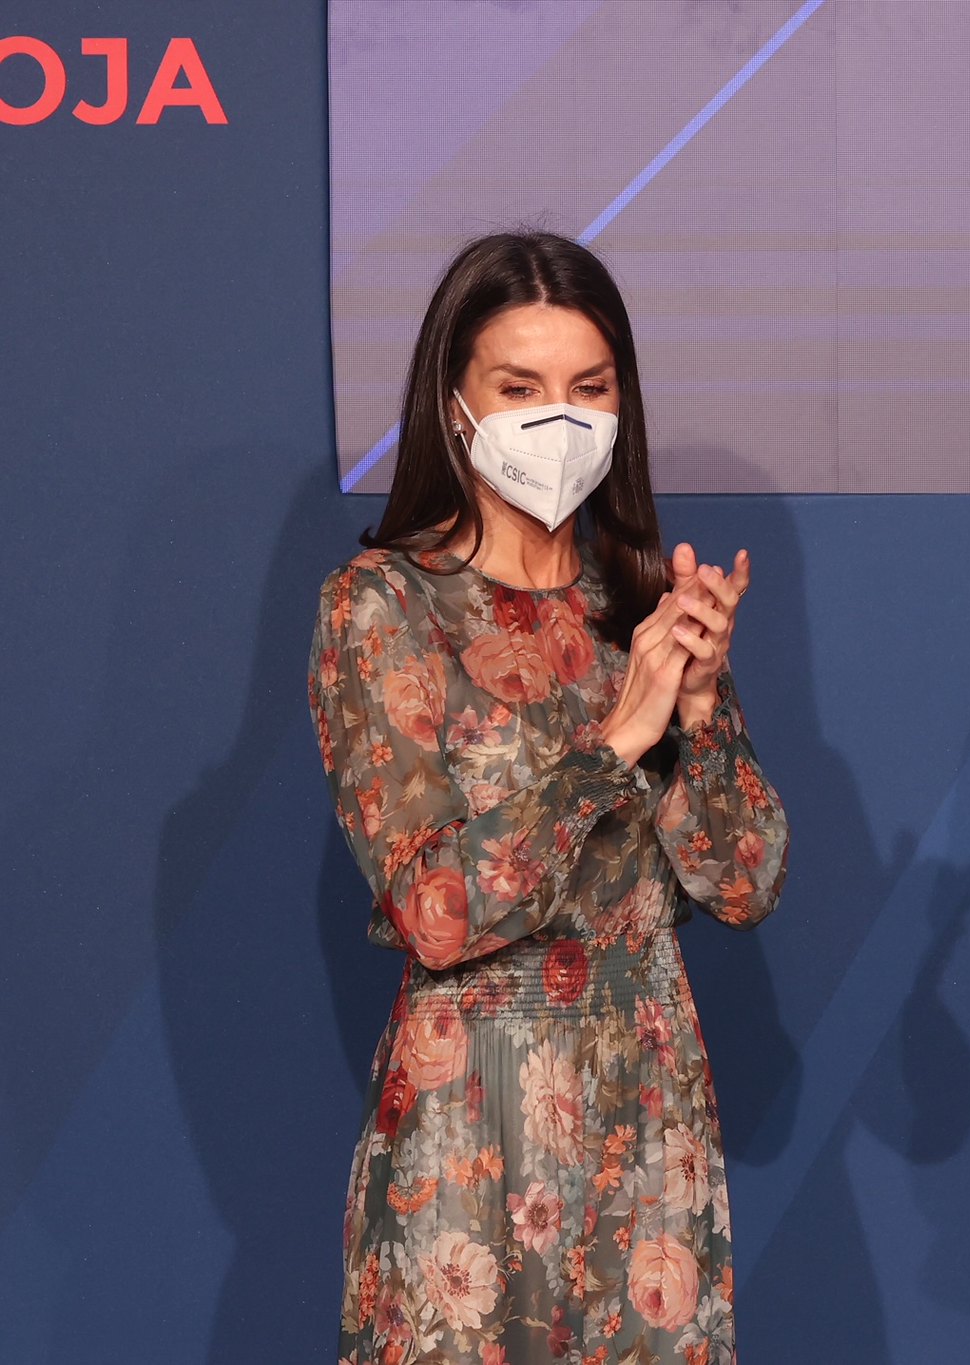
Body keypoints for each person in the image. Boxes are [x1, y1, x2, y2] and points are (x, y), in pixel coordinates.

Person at [309, 232, 789, 1364]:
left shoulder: (641, 607)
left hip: (650, 1113)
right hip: (471, 1123)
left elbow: (746, 886)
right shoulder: (383, 606)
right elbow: (435, 912)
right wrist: (618, 739)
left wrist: (699, 708)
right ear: (455, 405)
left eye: (589, 388)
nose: (558, 419)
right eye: (520, 388)